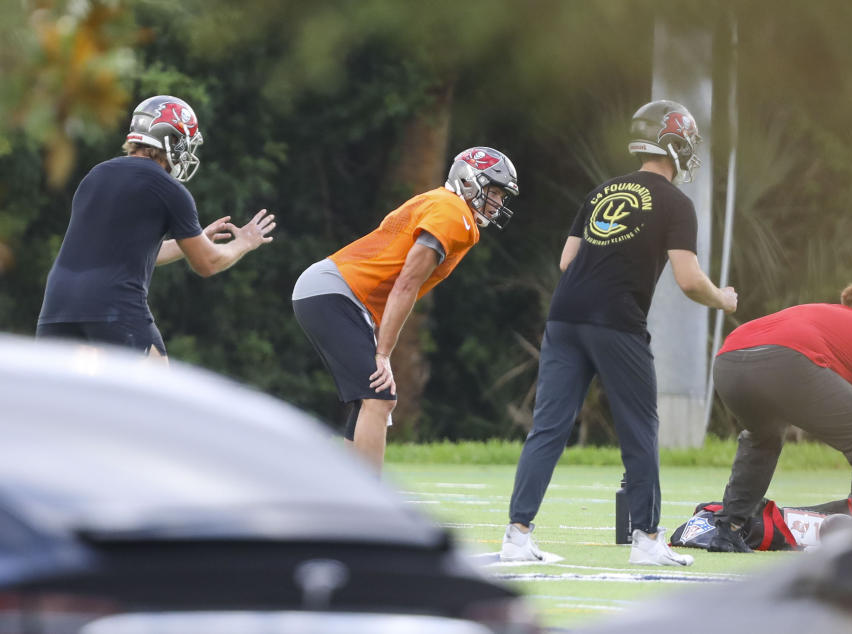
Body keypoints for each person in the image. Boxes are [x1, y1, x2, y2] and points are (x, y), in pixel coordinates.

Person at [500, 100, 737, 566]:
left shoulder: (602, 191)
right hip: (616, 321)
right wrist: (723, 299)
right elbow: (690, 281)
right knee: (640, 428)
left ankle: (516, 535)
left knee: (548, 428)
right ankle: (647, 541)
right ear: (674, 144)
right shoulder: (675, 202)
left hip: (565, 316)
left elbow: (567, 262)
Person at [292, 147, 519, 472]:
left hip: (336, 292)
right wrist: (383, 353)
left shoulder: (444, 204)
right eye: (494, 192)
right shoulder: (454, 213)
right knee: (380, 397)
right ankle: (368, 505)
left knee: (370, 401)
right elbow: (407, 284)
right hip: (336, 293)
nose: (498, 203)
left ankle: (352, 496)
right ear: (469, 181)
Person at [37, 95, 277, 359]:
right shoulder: (169, 189)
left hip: (58, 304)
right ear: (171, 140)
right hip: (114, 304)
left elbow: (131, 253)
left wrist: (193, 241)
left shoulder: (96, 175)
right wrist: (244, 241)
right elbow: (207, 263)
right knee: (154, 390)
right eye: (184, 142)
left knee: (62, 398)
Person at [707, 283, 852, 553]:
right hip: (787, 361)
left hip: (728, 361)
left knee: (764, 436)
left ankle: (727, 530)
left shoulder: (827, 315)